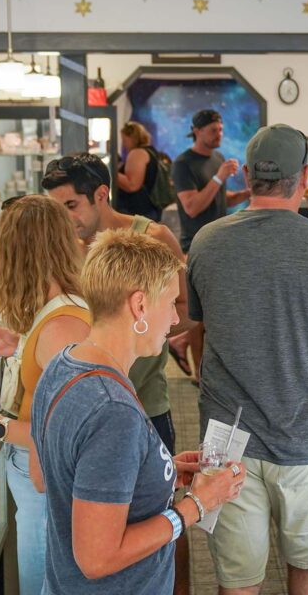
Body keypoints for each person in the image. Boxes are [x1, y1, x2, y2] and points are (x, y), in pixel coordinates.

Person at [187, 124, 308, 595]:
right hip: (306, 432)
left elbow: (199, 325)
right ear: (301, 179)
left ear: (249, 177)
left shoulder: (206, 241)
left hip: (226, 437)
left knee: (236, 579)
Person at [30, 230, 246, 594]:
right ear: (140, 306)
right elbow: (97, 558)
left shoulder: (62, 365)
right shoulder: (113, 411)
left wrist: (162, 471)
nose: (175, 321)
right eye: (171, 304)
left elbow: (63, 475)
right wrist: (196, 505)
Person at [0, 195, 91, 595]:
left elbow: (66, 436)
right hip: (38, 479)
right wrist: (19, 345)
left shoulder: (62, 323)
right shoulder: (57, 312)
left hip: (43, 481)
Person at [41, 152, 196, 450]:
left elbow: (188, 311)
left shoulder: (153, 238)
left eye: (71, 205)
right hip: (79, 403)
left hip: (143, 403)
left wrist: (130, 334)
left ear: (101, 194)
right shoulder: (62, 247)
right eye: (57, 209)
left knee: (154, 497)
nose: (65, 218)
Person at [172, 109, 250, 382]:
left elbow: (219, 199)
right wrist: (218, 177)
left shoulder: (216, 158)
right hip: (195, 245)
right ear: (197, 130)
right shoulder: (183, 164)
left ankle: (190, 352)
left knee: (215, 310)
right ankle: (198, 372)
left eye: (221, 130)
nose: (219, 135)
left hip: (221, 243)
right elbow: (192, 207)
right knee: (197, 314)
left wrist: (247, 193)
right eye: (213, 130)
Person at [115, 121, 163, 221]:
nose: (123, 144)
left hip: (138, 212)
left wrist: (110, 170)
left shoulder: (137, 153)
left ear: (132, 137)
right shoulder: (151, 152)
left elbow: (132, 185)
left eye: (124, 140)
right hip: (148, 210)